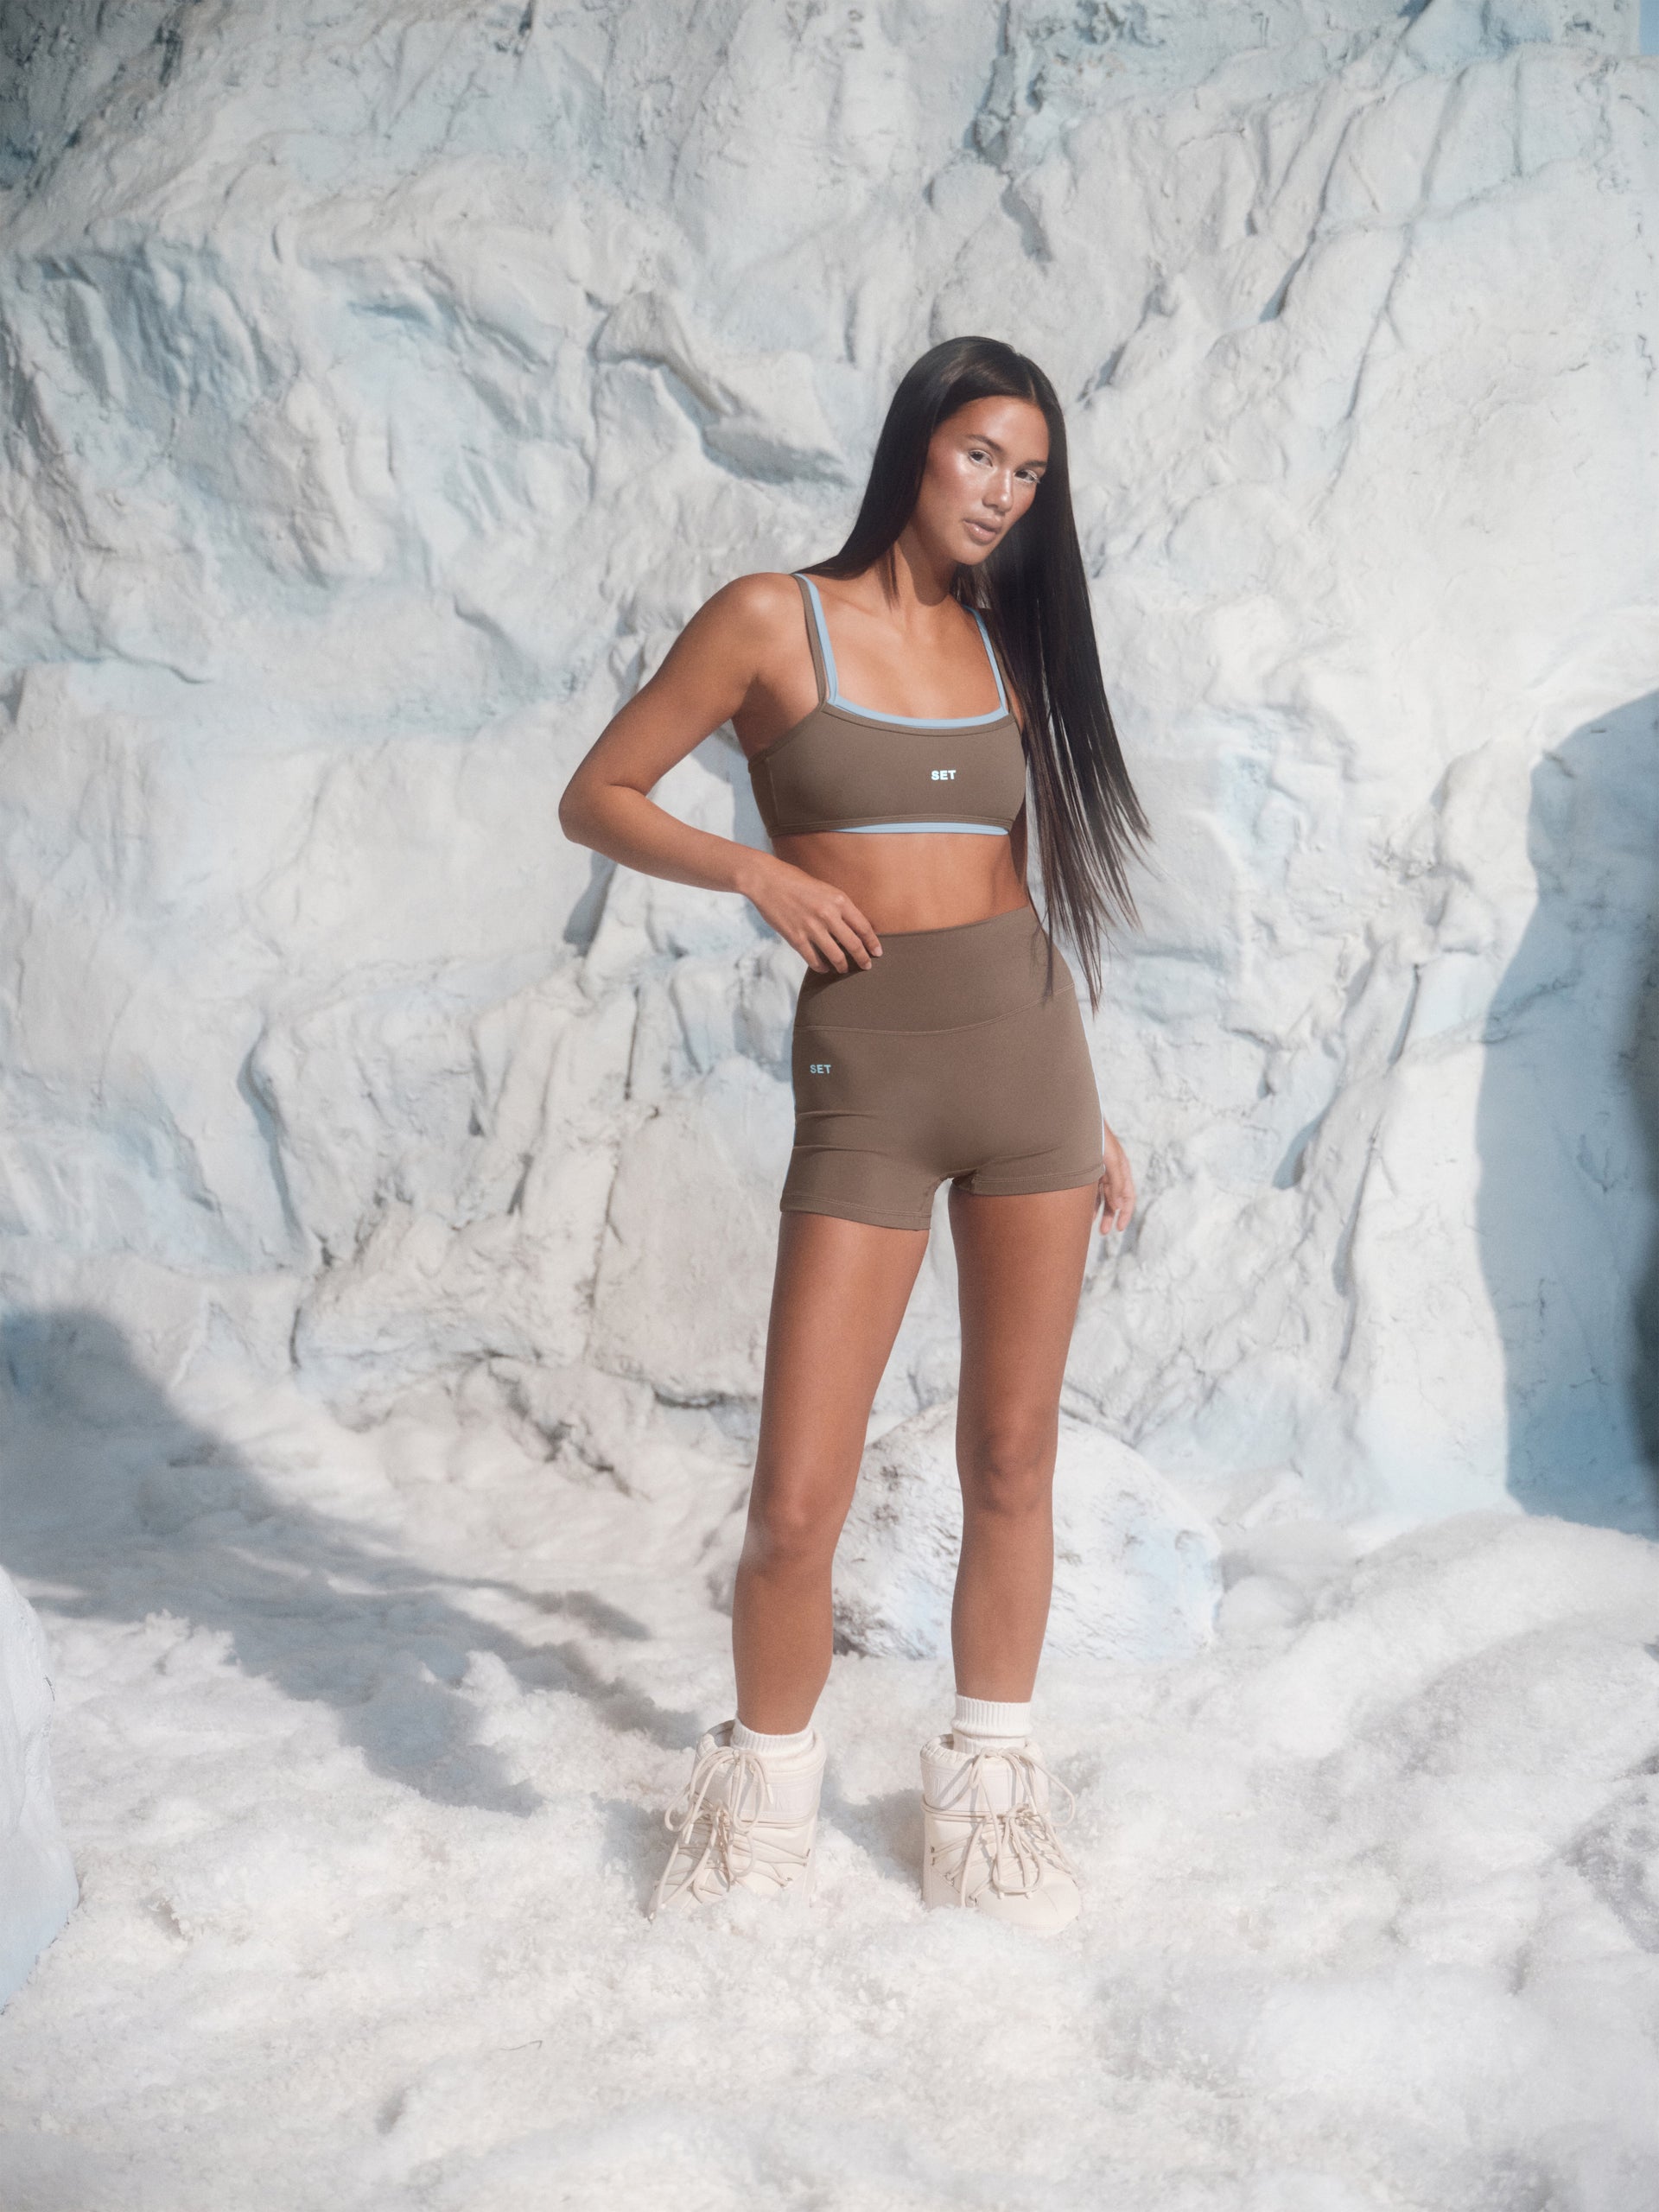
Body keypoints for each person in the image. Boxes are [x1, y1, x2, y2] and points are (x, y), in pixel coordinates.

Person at [558, 336, 1147, 1931]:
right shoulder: (773, 618)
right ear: (917, 447)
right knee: (796, 1502)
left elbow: (1012, 882)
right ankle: (762, 1808)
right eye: (982, 456)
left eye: (1030, 476)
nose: (1002, 496)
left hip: (1031, 1066)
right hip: (868, 1080)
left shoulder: (1004, 641)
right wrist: (757, 872)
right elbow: (599, 794)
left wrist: (1090, 1108)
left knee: (1013, 1457)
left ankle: (989, 1807)